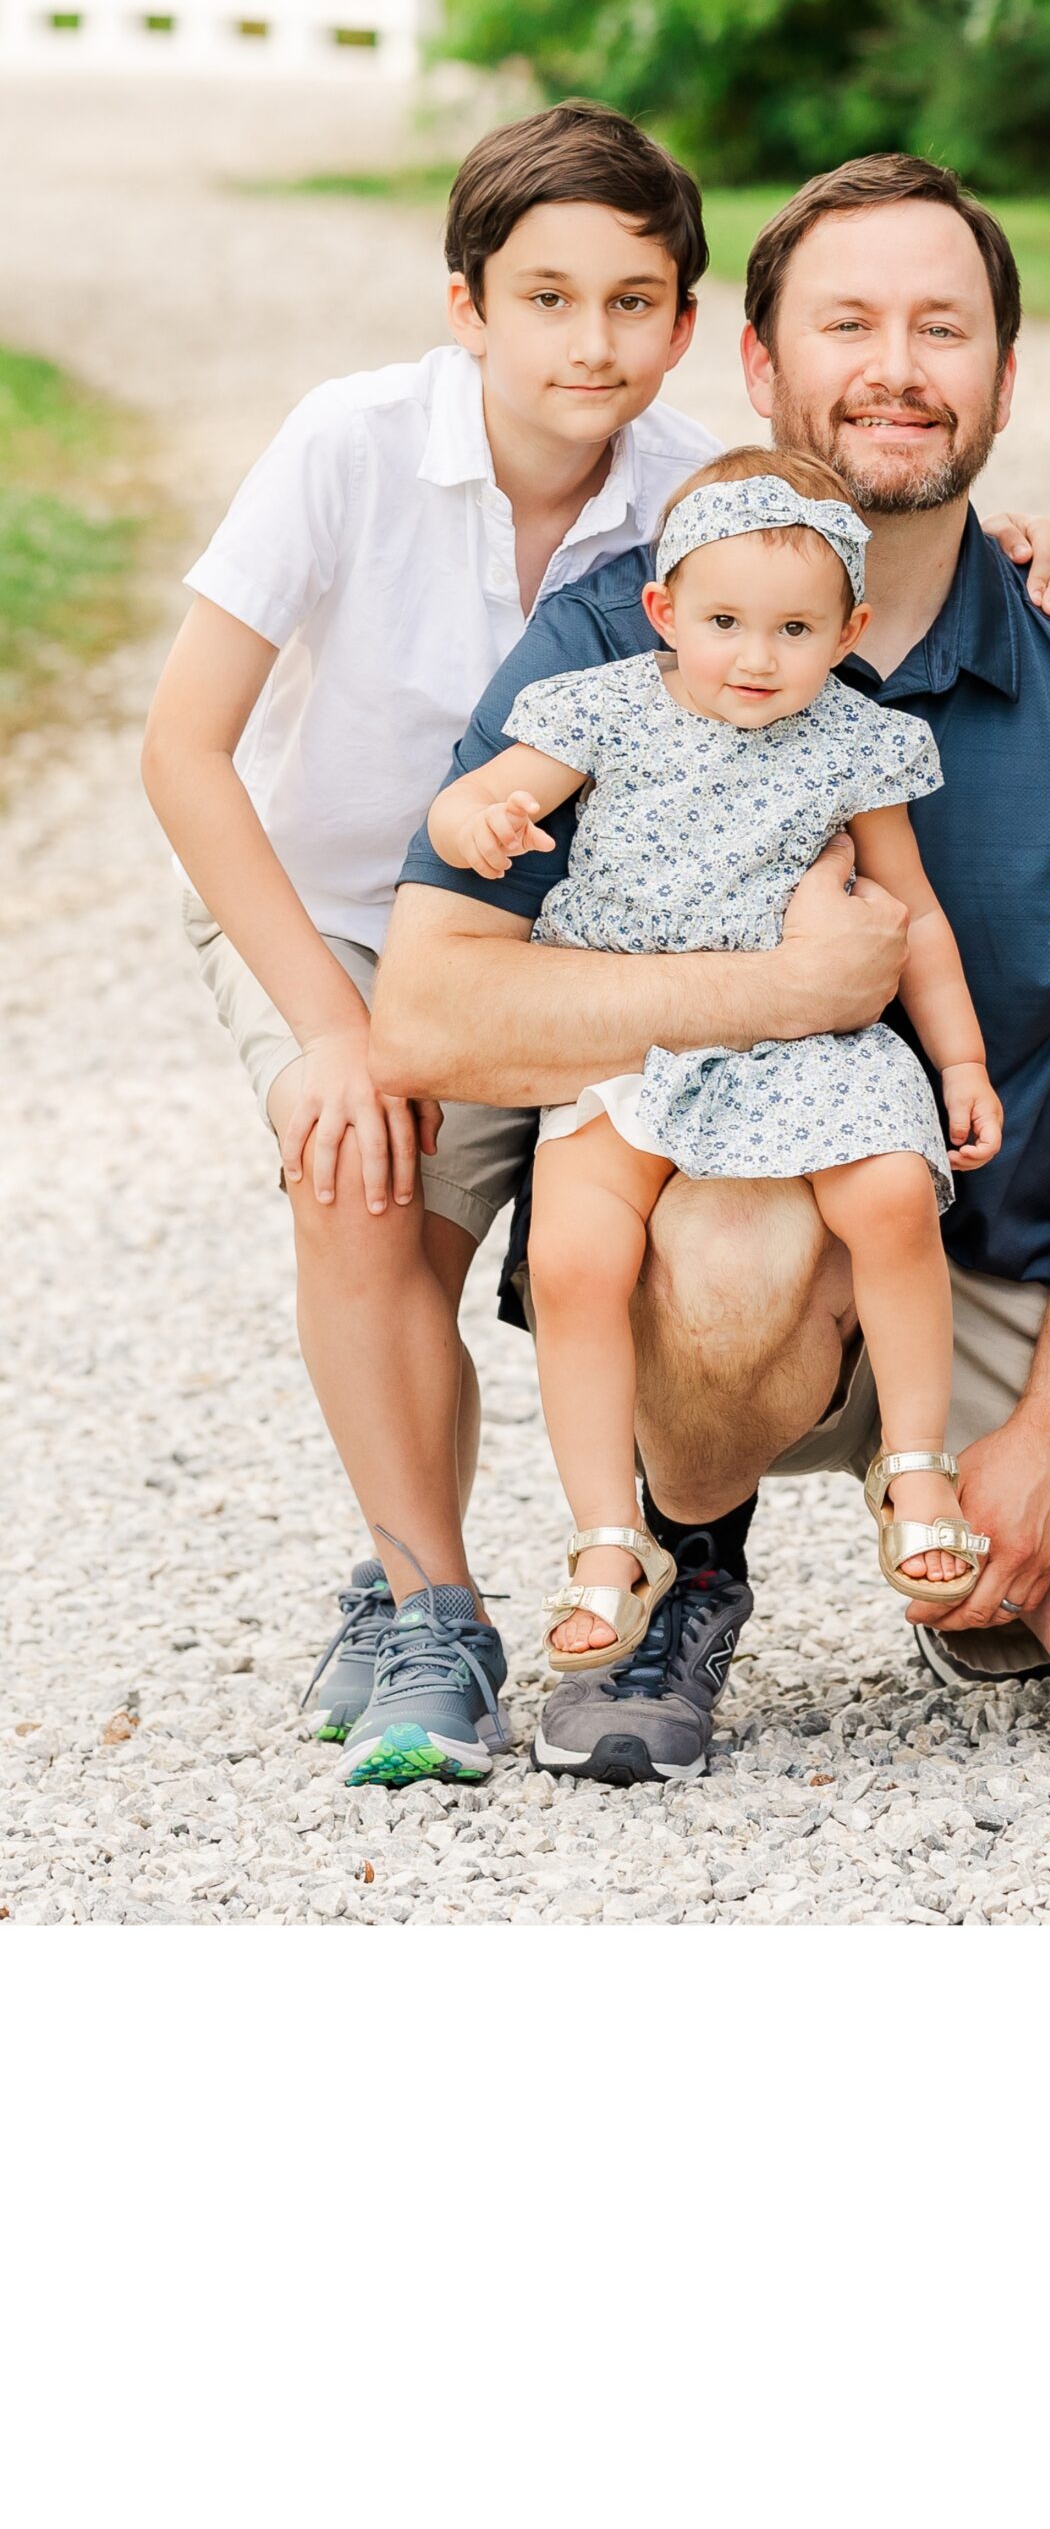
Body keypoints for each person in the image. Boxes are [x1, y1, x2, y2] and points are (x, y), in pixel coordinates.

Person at [375, 152, 1050, 1772]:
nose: (897, 370)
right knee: (734, 1247)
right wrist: (774, 996)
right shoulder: (623, 636)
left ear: (1006, 378)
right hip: (728, 1208)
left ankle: (980, 1555)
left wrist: (1048, 1439)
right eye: (848, 325)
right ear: (758, 365)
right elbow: (425, 1014)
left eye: (943, 330)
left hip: (1004, 1281)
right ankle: (689, 1555)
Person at [138, 102, 721, 1769]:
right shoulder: (349, 443)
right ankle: (436, 1616)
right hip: (336, 922)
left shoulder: (702, 496)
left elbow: (886, 579)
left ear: (685, 322)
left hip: (578, 959)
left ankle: (402, 1564)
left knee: (456, 1267)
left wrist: (1047, 540)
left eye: (632, 301)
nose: (590, 341)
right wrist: (333, 1030)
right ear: (465, 304)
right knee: (357, 1178)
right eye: (545, 296)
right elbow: (183, 752)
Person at [424, 445, 996, 1781]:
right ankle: (605, 1539)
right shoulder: (606, 708)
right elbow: (480, 796)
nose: (757, 656)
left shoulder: (852, 735)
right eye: (726, 621)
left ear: (847, 632)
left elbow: (912, 924)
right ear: (667, 612)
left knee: (893, 1197)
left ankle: (916, 1463)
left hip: (812, 1044)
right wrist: (480, 822)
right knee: (574, 1254)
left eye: (796, 629)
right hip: (642, 1035)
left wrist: (959, 1062)